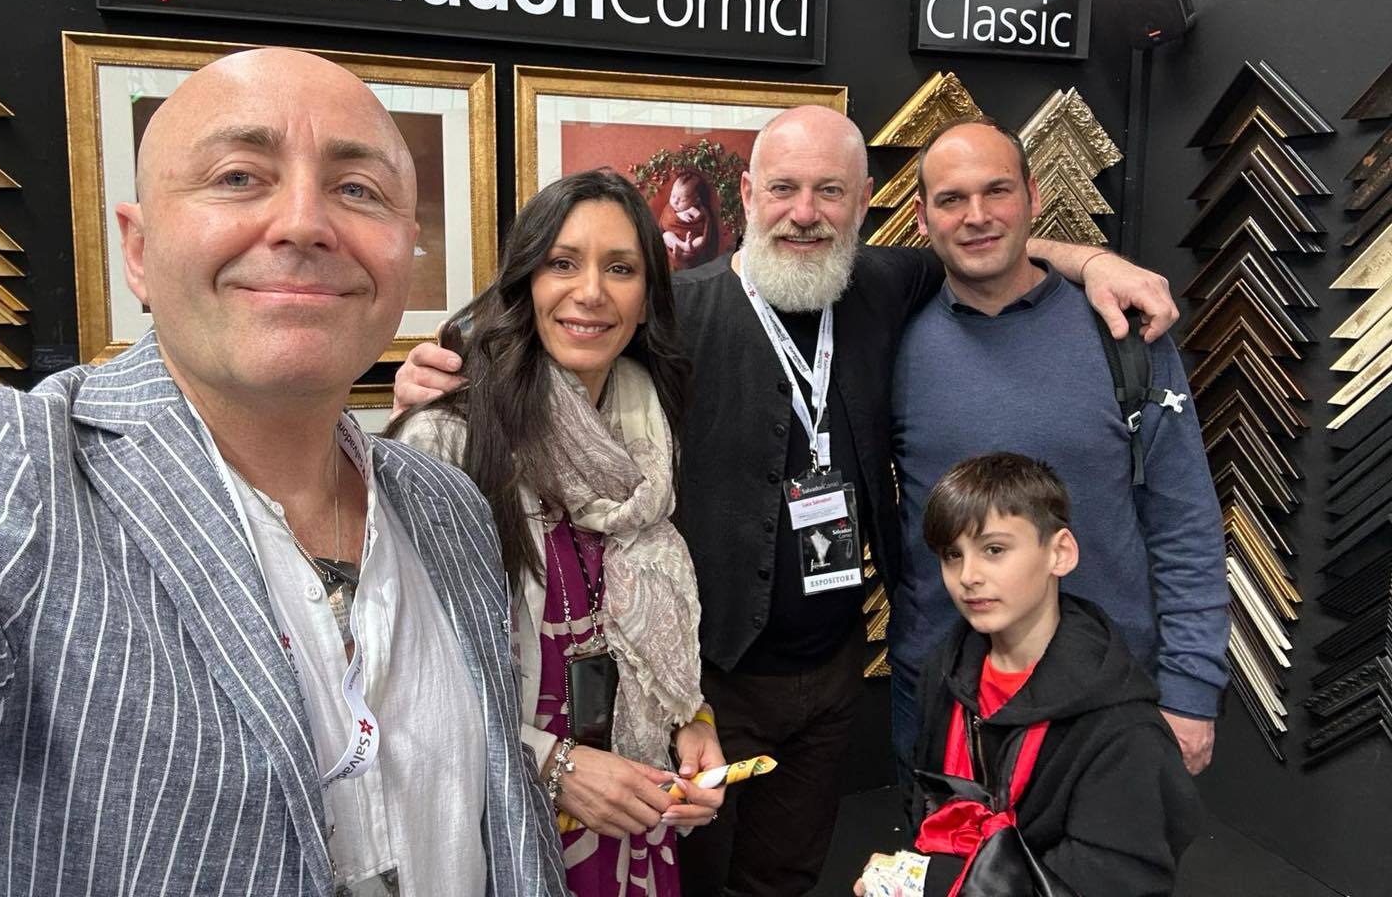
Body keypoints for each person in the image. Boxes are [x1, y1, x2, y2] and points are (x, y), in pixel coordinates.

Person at [393, 105, 1181, 897]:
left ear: (864, 202)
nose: (806, 212)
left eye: (830, 191)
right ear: (747, 193)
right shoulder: (673, 310)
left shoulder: (885, 284)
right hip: (708, 684)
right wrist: (445, 374)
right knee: (691, 879)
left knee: (786, 878)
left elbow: (984, 242)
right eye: (783, 188)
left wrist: (1091, 261)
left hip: (834, 677)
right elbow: (549, 311)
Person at [0, 48, 566, 895]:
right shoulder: (13, 468)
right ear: (138, 248)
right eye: (239, 177)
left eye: (358, 189)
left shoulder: (445, 503)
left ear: (407, 251)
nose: (304, 222)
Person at [388, 169, 725, 896]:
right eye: (563, 263)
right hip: (502, 821)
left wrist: (689, 719)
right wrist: (553, 763)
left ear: (648, 298)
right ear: (526, 282)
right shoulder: (450, 439)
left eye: (621, 269)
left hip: (633, 815)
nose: (591, 292)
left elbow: (649, 631)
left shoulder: (650, 436)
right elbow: (405, 673)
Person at [889, 117, 1228, 791]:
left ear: (1033, 196)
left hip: (1104, 698)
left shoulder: (1123, 335)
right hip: (943, 702)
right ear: (922, 218)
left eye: (997, 191)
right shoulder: (893, 340)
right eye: (952, 199)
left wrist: (1191, 689)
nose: (977, 216)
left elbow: (1185, 521)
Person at [871, 452, 1200, 897]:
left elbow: (1108, 881)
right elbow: (926, 805)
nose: (968, 576)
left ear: (1059, 553)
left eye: (994, 550)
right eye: (952, 555)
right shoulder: (943, 673)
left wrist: (931, 884)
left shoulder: (1123, 730)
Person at [660, 169, 716, 269]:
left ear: (695, 200)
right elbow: (665, 223)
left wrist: (694, 214)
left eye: (682, 200)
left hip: (692, 242)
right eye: (673, 196)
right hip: (675, 241)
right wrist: (679, 215)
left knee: (700, 240)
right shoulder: (669, 209)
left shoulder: (700, 211)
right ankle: (683, 246)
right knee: (666, 235)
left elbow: (705, 226)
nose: (675, 202)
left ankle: (687, 249)